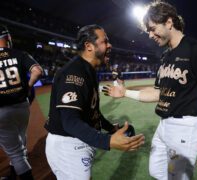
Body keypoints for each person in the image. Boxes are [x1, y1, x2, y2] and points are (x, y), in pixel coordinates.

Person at [103, 2, 197, 179]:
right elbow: (157, 93)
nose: (150, 35)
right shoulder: (166, 56)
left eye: (152, 29)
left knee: (177, 176)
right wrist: (125, 92)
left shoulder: (196, 50)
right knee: (156, 171)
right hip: (163, 126)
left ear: (168, 22)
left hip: (184, 129)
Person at [44, 24, 145, 180]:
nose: (110, 45)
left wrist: (109, 127)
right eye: (105, 41)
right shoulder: (74, 74)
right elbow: (70, 122)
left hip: (78, 140)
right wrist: (108, 140)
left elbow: (92, 111)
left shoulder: (88, 70)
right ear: (89, 46)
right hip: (68, 144)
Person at [0, 25, 43, 179]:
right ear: (7, 38)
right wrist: (28, 86)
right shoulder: (19, 53)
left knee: (16, 154)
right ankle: (12, 176)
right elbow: (37, 71)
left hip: (2, 110)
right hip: (22, 106)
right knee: (20, 141)